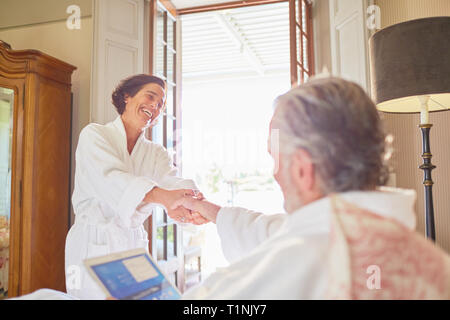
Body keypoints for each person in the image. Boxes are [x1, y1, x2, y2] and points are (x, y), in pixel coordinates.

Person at [172, 77, 450, 299]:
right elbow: (278, 233)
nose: (275, 173)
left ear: (303, 169)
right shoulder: (434, 262)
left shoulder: (300, 265)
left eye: (275, 157)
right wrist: (212, 211)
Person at [65, 74, 207, 299]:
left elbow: (171, 182)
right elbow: (111, 179)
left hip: (132, 244)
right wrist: (164, 197)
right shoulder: (94, 135)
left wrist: (195, 200)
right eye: (150, 96)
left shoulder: (155, 152)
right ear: (127, 97)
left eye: (160, 104)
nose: (155, 106)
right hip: (93, 243)